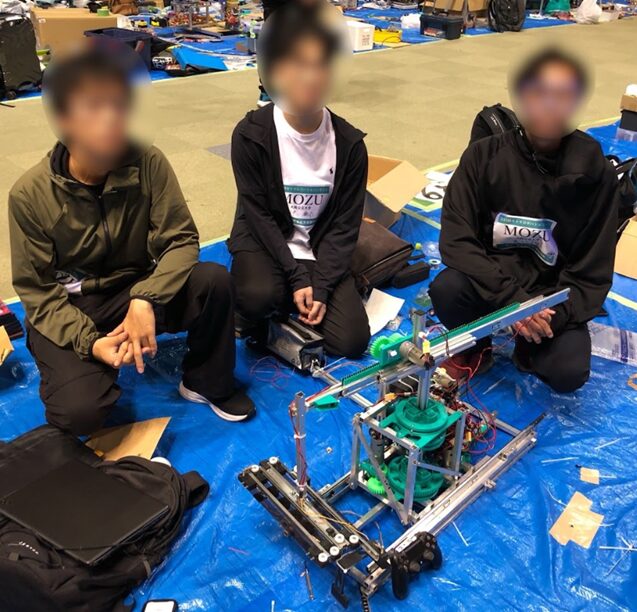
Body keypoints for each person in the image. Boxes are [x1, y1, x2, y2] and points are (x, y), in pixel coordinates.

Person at [8, 49, 255, 435]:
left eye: (119, 105)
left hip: (134, 288)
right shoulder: (30, 195)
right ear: (64, 120)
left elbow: (181, 240)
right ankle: (89, 367)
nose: (111, 118)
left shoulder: (148, 163)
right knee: (79, 414)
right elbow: (38, 294)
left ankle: (205, 382)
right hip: (72, 305)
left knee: (213, 281)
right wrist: (91, 343)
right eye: (94, 106)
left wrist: (145, 299)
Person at [429, 48, 619, 393]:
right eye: (539, 92)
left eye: (562, 94)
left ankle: (529, 344)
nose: (549, 104)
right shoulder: (483, 157)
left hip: (550, 298)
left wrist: (548, 315)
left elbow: (591, 271)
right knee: (447, 289)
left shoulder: (594, 173)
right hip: (494, 285)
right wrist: (513, 303)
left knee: (568, 372)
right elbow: (457, 241)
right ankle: (477, 346)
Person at [230, 5, 371, 359]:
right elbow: (258, 216)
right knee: (256, 297)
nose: (309, 76)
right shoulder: (251, 135)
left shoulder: (350, 145)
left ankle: (290, 304)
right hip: (267, 243)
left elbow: (344, 228)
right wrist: (296, 278)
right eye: (297, 64)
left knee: (352, 341)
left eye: (319, 65)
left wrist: (320, 288)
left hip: (317, 249)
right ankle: (269, 303)